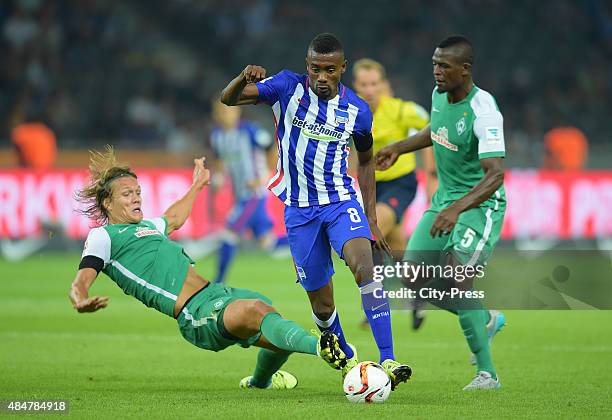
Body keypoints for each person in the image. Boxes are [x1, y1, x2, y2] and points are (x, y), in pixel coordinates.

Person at [220, 33, 412, 390]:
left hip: (340, 201)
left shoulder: (357, 110)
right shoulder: (286, 87)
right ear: (306, 66)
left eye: (329, 70)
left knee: (364, 267)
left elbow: (367, 159)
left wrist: (370, 216)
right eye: (314, 69)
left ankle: (388, 358)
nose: (321, 77)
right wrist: (242, 79)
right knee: (322, 306)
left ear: (342, 69)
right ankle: (345, 356)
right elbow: (227, 99)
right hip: (298, 211)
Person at [69, 146, 347, 390]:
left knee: (269, 315)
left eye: (138, 192)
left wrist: (198, 185)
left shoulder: (147, 227)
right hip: (194, 313)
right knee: (256, 311)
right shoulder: (103, 237)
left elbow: (174, 218)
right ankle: (324, 347)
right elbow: (84, 276)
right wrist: (80, 297)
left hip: (215, 292)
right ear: (107, 203)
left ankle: (259, 383)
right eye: (127, 194)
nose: (136, 198)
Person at [376, 35, 506, 390]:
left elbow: (495, 175)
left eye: (444, 65)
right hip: (446, 202)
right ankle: (484, 319)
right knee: (413, 276)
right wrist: (400, 148)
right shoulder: (438, 96)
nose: (436, 71)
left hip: (480, 207)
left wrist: (456, 210)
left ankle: (487, 374)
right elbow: (438, 130)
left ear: (464, 70)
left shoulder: (484, 110)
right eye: (434, 63)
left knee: (459, 278)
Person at [352, 58, 437, 330]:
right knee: (397, 249)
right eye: (364, 84)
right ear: (355, 86)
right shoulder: (351, 110)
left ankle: (376, 304)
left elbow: (434, 129)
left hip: (401, 183)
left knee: (371, 233)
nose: (370, 89)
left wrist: (432, 174)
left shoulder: (401, 110)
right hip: (371, 187)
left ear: (384, 84)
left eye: (374, 83)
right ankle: (419, 293)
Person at [209, 98, 289, 284]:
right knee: (267, 243)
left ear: (237, 112)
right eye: (221, 111)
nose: (225, 115)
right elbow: (219, 160)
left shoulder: (250, 131)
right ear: (216, 114)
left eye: (228, 111)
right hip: (240, 195)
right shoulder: (216, 136)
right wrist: (219, 178)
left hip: (254, 195)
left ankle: (218, 283)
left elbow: (272, 149)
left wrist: (265, 176)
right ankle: (309, 238)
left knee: (229, 234)